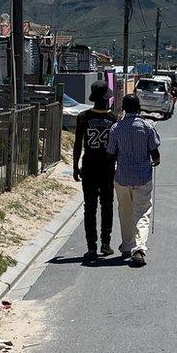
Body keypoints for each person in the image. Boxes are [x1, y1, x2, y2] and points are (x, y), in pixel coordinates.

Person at [107, 94, 161, 268]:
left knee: (125, 211)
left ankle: (127, 245)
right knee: (142, 212)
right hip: (142, 177)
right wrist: (156, 161)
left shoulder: (116, 128)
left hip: (122, 177)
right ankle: (138, 248)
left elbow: (111, 153)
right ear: (139, 108)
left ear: (123, 108)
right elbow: (154, 152)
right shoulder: (147, 126)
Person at [73, 82, 119, 260]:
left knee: (89, 207)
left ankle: (91, 246)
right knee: (107, 205)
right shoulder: (113, 119)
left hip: (89, 165)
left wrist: (75, 166)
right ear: (106, 99)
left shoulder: (83, 117)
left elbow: (78, 144)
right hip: (107, 167)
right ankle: (105, 244)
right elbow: (117, 148)